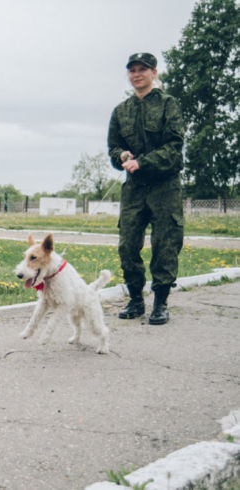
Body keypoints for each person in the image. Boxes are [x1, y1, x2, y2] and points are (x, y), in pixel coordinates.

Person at [107, 52, 185, 325]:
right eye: (132, 70)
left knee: (165, 244)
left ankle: (161, 302)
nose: (136, 74)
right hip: (134, 189)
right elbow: (113, 148)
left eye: (142, 69)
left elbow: (174, 149)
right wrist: (122, 157)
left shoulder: (168, 104)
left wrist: (144, 162)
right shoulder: (121, 111)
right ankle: (136, 300)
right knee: (127, 245)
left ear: (153, 72)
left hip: (165, 187)